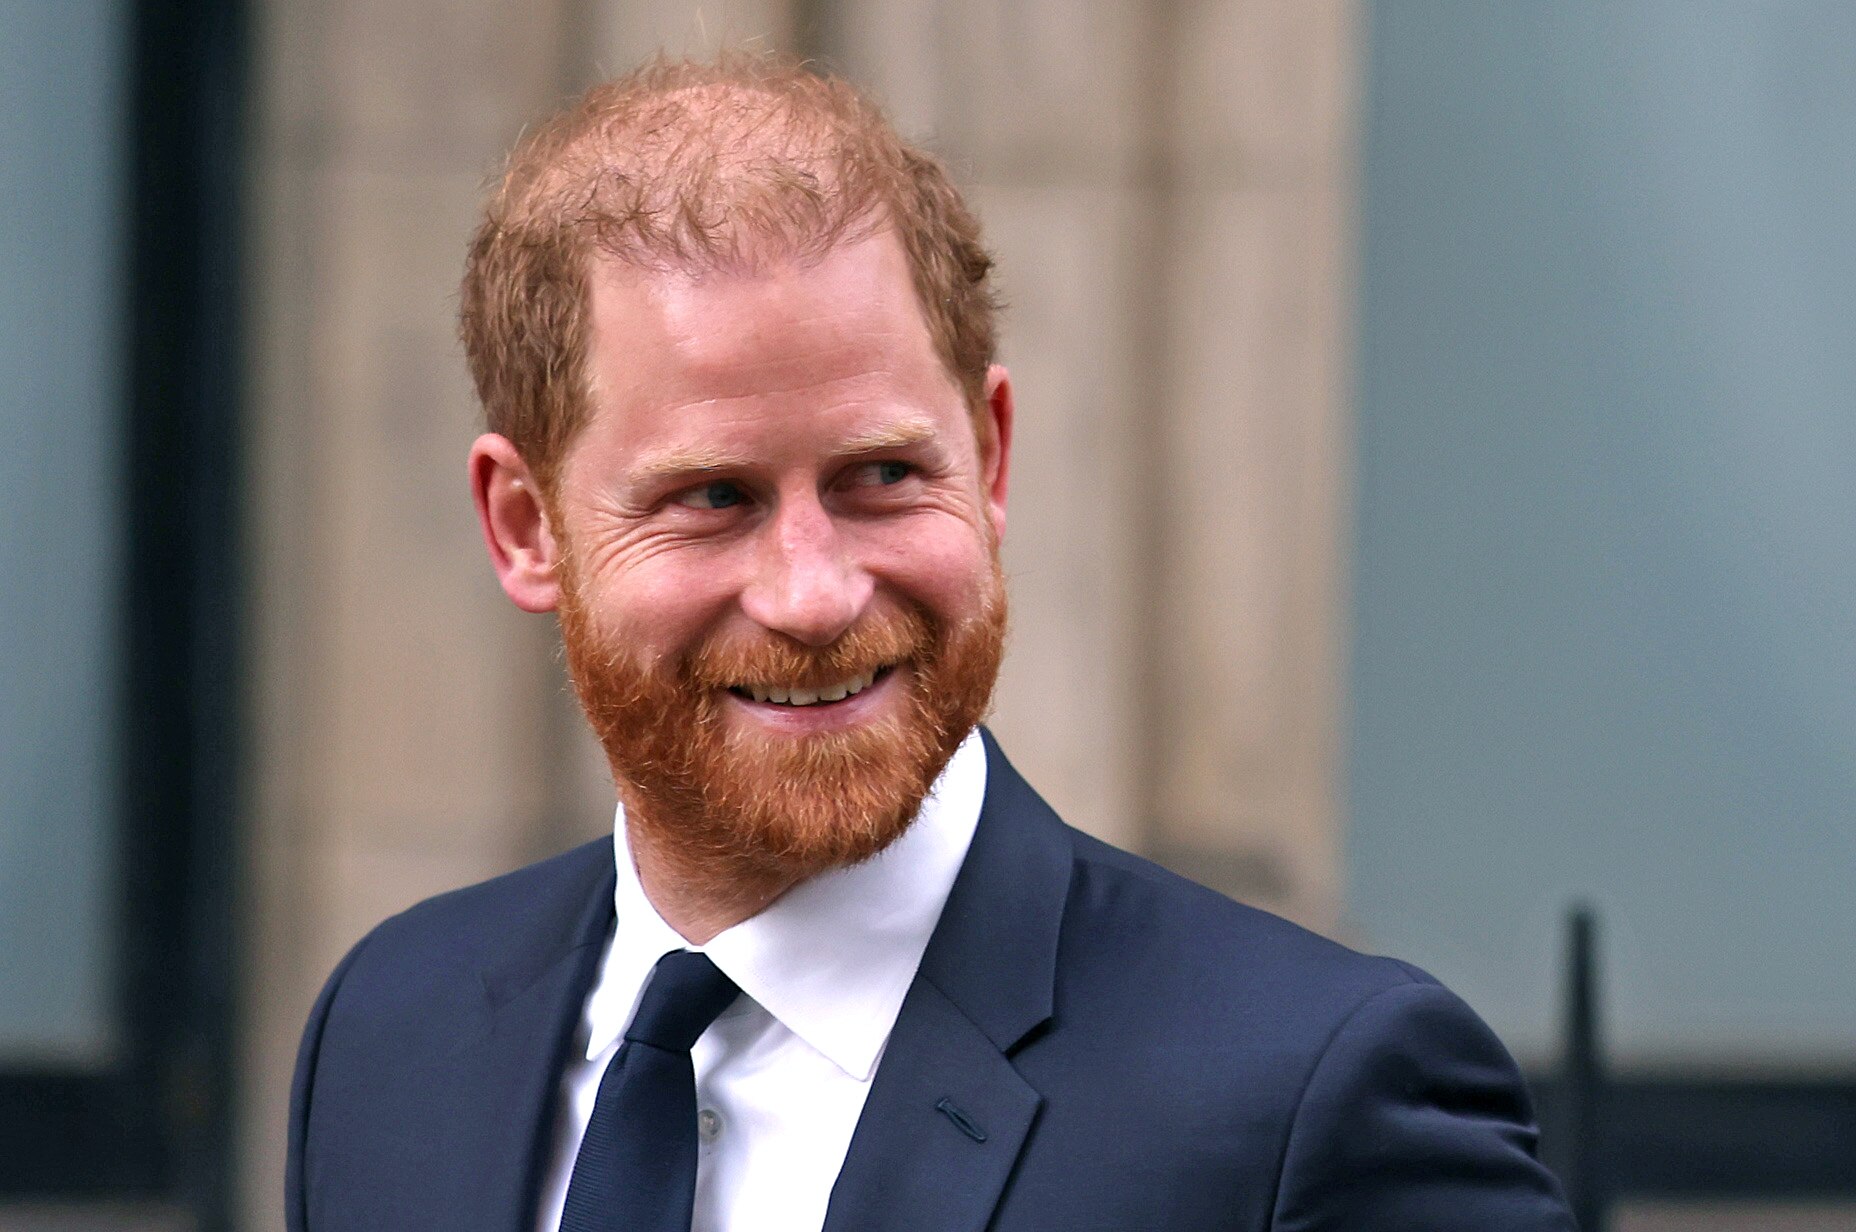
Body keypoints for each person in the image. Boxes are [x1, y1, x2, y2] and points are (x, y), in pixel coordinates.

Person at [286, 53, 1575, 1232]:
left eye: (883, 476)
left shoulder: (1310, 1101)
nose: (814, 593)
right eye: (713, 499)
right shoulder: (392, 1037)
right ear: (525, 527)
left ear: (992, 455)